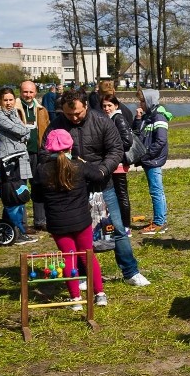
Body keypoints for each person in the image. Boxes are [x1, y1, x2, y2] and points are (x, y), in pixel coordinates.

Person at [43, 91, 151, 286]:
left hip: (103, 184)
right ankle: (83, 274)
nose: (74, 118)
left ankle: (130, 272)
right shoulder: (57, 125)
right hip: (73, 189)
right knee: (78, 233)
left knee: (118, 228)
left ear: (85, 105)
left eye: (77, 113)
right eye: (69, 115)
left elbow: (116, 149)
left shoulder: (102, 121)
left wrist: (103, 170)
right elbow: (46, 152)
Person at [33, 129, 108, 308]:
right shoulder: (78, 166)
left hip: (57, 222)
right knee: (87, 256)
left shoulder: (42, 170)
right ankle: (100, 294)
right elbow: (98, 175)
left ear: (48, 149)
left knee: (69, 258)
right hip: (81, 219)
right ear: (70, 147)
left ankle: (76, 299)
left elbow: (36, 197)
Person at [0, 87, 38, 245]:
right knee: (13, 196)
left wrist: (24, 130)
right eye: (5, 100)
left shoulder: (13, 112)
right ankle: (16, 231)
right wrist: (24, 131)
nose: (9, 103)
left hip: (21, 157)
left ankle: (13, 230)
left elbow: (24, 131)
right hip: (8, 159)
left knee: (21, 193)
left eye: (11, 99)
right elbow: (21, 130)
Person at [135, 88, 172, 234]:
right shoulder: (148, 116)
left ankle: (159, 222)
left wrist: (146, 155)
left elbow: (161, 140)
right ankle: (161, 220)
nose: (140, 104)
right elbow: (138, 133)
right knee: (156, 190)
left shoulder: (158, 117)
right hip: (150, 159)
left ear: (149, 101)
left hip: (153, 160)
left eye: (142, 101)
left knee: (156, 191)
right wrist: (138, 119)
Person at [14, 80, 50, 231]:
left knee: (38, 185)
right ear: (20, 92)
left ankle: (40, 220)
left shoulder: (41, 109)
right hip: (20, 153)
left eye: (31, 92)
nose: (28, 95)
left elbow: (47, 129)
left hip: (37, 152)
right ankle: (21, 223)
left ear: (35, 93)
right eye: (25, 92)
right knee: (21, 186)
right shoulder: (14, 108)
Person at [102, 94, 135, 233]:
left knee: (121, 194)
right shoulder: (109, 119)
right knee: (113, 193)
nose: (106, 108)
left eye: (109, 105)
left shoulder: (118, 118)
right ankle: (117, 224)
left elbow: (127, 141)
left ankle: (126, 226)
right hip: (113, 162)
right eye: (104, 106)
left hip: (119, 163)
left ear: (116, 105)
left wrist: (110, 146)